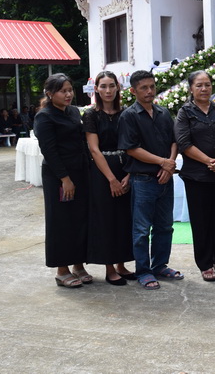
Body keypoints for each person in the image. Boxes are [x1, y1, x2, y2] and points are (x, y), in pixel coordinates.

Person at [118, 70, 181, 290]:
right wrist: (163, 163)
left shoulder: (163, 113)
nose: (149, 91)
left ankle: (160, 265)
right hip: (143, 180)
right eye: (144, 88)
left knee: (165, 226)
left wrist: (169, 165)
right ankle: (143, 271)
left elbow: (174, 141)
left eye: (152, 86)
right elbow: (131, 149)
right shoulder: (129, 116)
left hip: (165, 179)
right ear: (133, 91)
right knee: (142, 229)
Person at [174, 70, 215, 281]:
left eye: (207, 85)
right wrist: (209, 161)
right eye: (199, 85)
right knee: (201, 221)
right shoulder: (185, 112)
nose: (204, 89)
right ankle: (205, 263)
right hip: (197, 177)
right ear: (191, 89)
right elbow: (183, 143)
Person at [33, 73, 90, 288]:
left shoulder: (73, 111)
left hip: (80, 172)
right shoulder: (44, 117)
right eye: (63, 91)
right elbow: (49, 151)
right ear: (50, 93)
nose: (68, 94)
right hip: (58, 176)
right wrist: (65, 179)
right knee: (61, 222)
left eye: (70, 90)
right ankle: (62, 270)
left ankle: (78, 265)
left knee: (80, 219)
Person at [83, 71, 135, 286]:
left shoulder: (126, 113)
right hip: (102, 171)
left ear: (117, 87)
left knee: (124, 218)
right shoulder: (91, 115)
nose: (108, 90)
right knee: (106, 219)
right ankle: (109, 267)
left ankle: (122, 264)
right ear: (96, 89)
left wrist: (129, 174)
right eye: (103, 86)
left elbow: (134, 145)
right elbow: (94, 150)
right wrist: (112, 179)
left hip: (126, 167)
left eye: (111, 85)